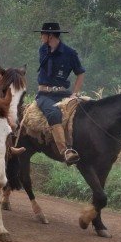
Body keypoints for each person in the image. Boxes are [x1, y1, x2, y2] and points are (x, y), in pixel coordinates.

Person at [34, 22, 85, 165]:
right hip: (44, 95)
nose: (41, 36)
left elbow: (80, 73)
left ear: (50, 35)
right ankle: (65, 151)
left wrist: (75, 94)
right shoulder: (43, 50)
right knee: (54, 113)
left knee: (84, 108)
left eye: (43, 33)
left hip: (63, 93)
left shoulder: (70, 53)